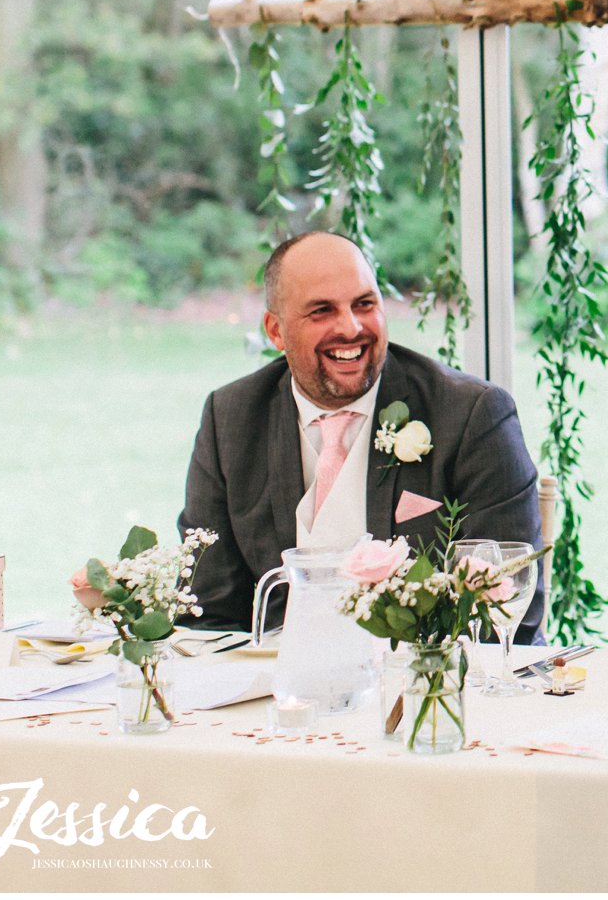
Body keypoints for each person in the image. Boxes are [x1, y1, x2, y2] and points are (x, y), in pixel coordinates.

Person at [179, 231, 545, 641]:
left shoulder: (472, 415)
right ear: (276, 331)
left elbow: (508, 612)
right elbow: (207, 614)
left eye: (364, 304)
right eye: (321, 311)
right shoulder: (230, 418)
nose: (351, 328)